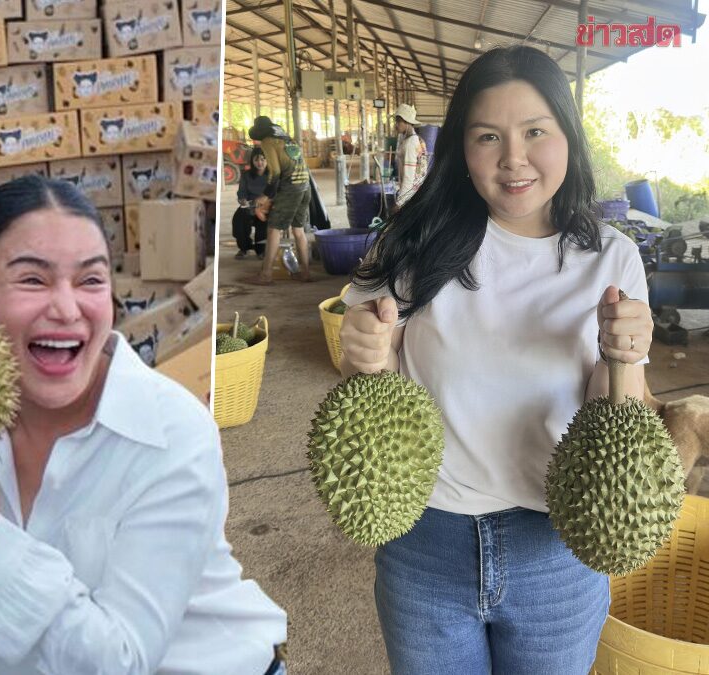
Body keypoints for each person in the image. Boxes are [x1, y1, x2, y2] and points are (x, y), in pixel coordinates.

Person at [0, 176, 289, 674]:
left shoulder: (172, 432)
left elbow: (120, 662)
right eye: (32, 279)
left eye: (90, 280)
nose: (66, 308)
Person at [340, 46, 652, 674]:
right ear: (462, 147)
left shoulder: (611, 258)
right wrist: (365, 353)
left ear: (568, 135)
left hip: (557, 551)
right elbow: (368, 386)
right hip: (426, 544)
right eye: (489, 136)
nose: (514, 159)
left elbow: (622, 420)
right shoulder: (414, 244)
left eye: (535, 131)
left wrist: (625, 359)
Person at [242, 116, 328, 285]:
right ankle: (305, 273)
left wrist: (265, 196)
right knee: (298, 230)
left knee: (274, 229)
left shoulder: (268, 141)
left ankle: (265, 275)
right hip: (305, 186)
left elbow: (275, 172)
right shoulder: (287, 139)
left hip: (291, 188)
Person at [232, 146, 268, 259]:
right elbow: (241, 192)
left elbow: (275, 194)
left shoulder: (272, 175)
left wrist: (263, 203)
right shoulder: (246, 175)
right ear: (252, 161)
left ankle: (261, 250)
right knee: (238, 219)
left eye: (263, 159)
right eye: (256, 160)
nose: (260, 162)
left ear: (267, 160)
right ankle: (243, 248)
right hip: (250, 205)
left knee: (263, 221)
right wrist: (242, 200)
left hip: (266, 206)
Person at [393, 103, 429, 208]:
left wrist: (399, 203)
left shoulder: (410, 143)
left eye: (398, 121)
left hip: (410, 196)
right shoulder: (417, 140)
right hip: (418, 193)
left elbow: (409, 175)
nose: (396, 124)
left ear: (407, 122)